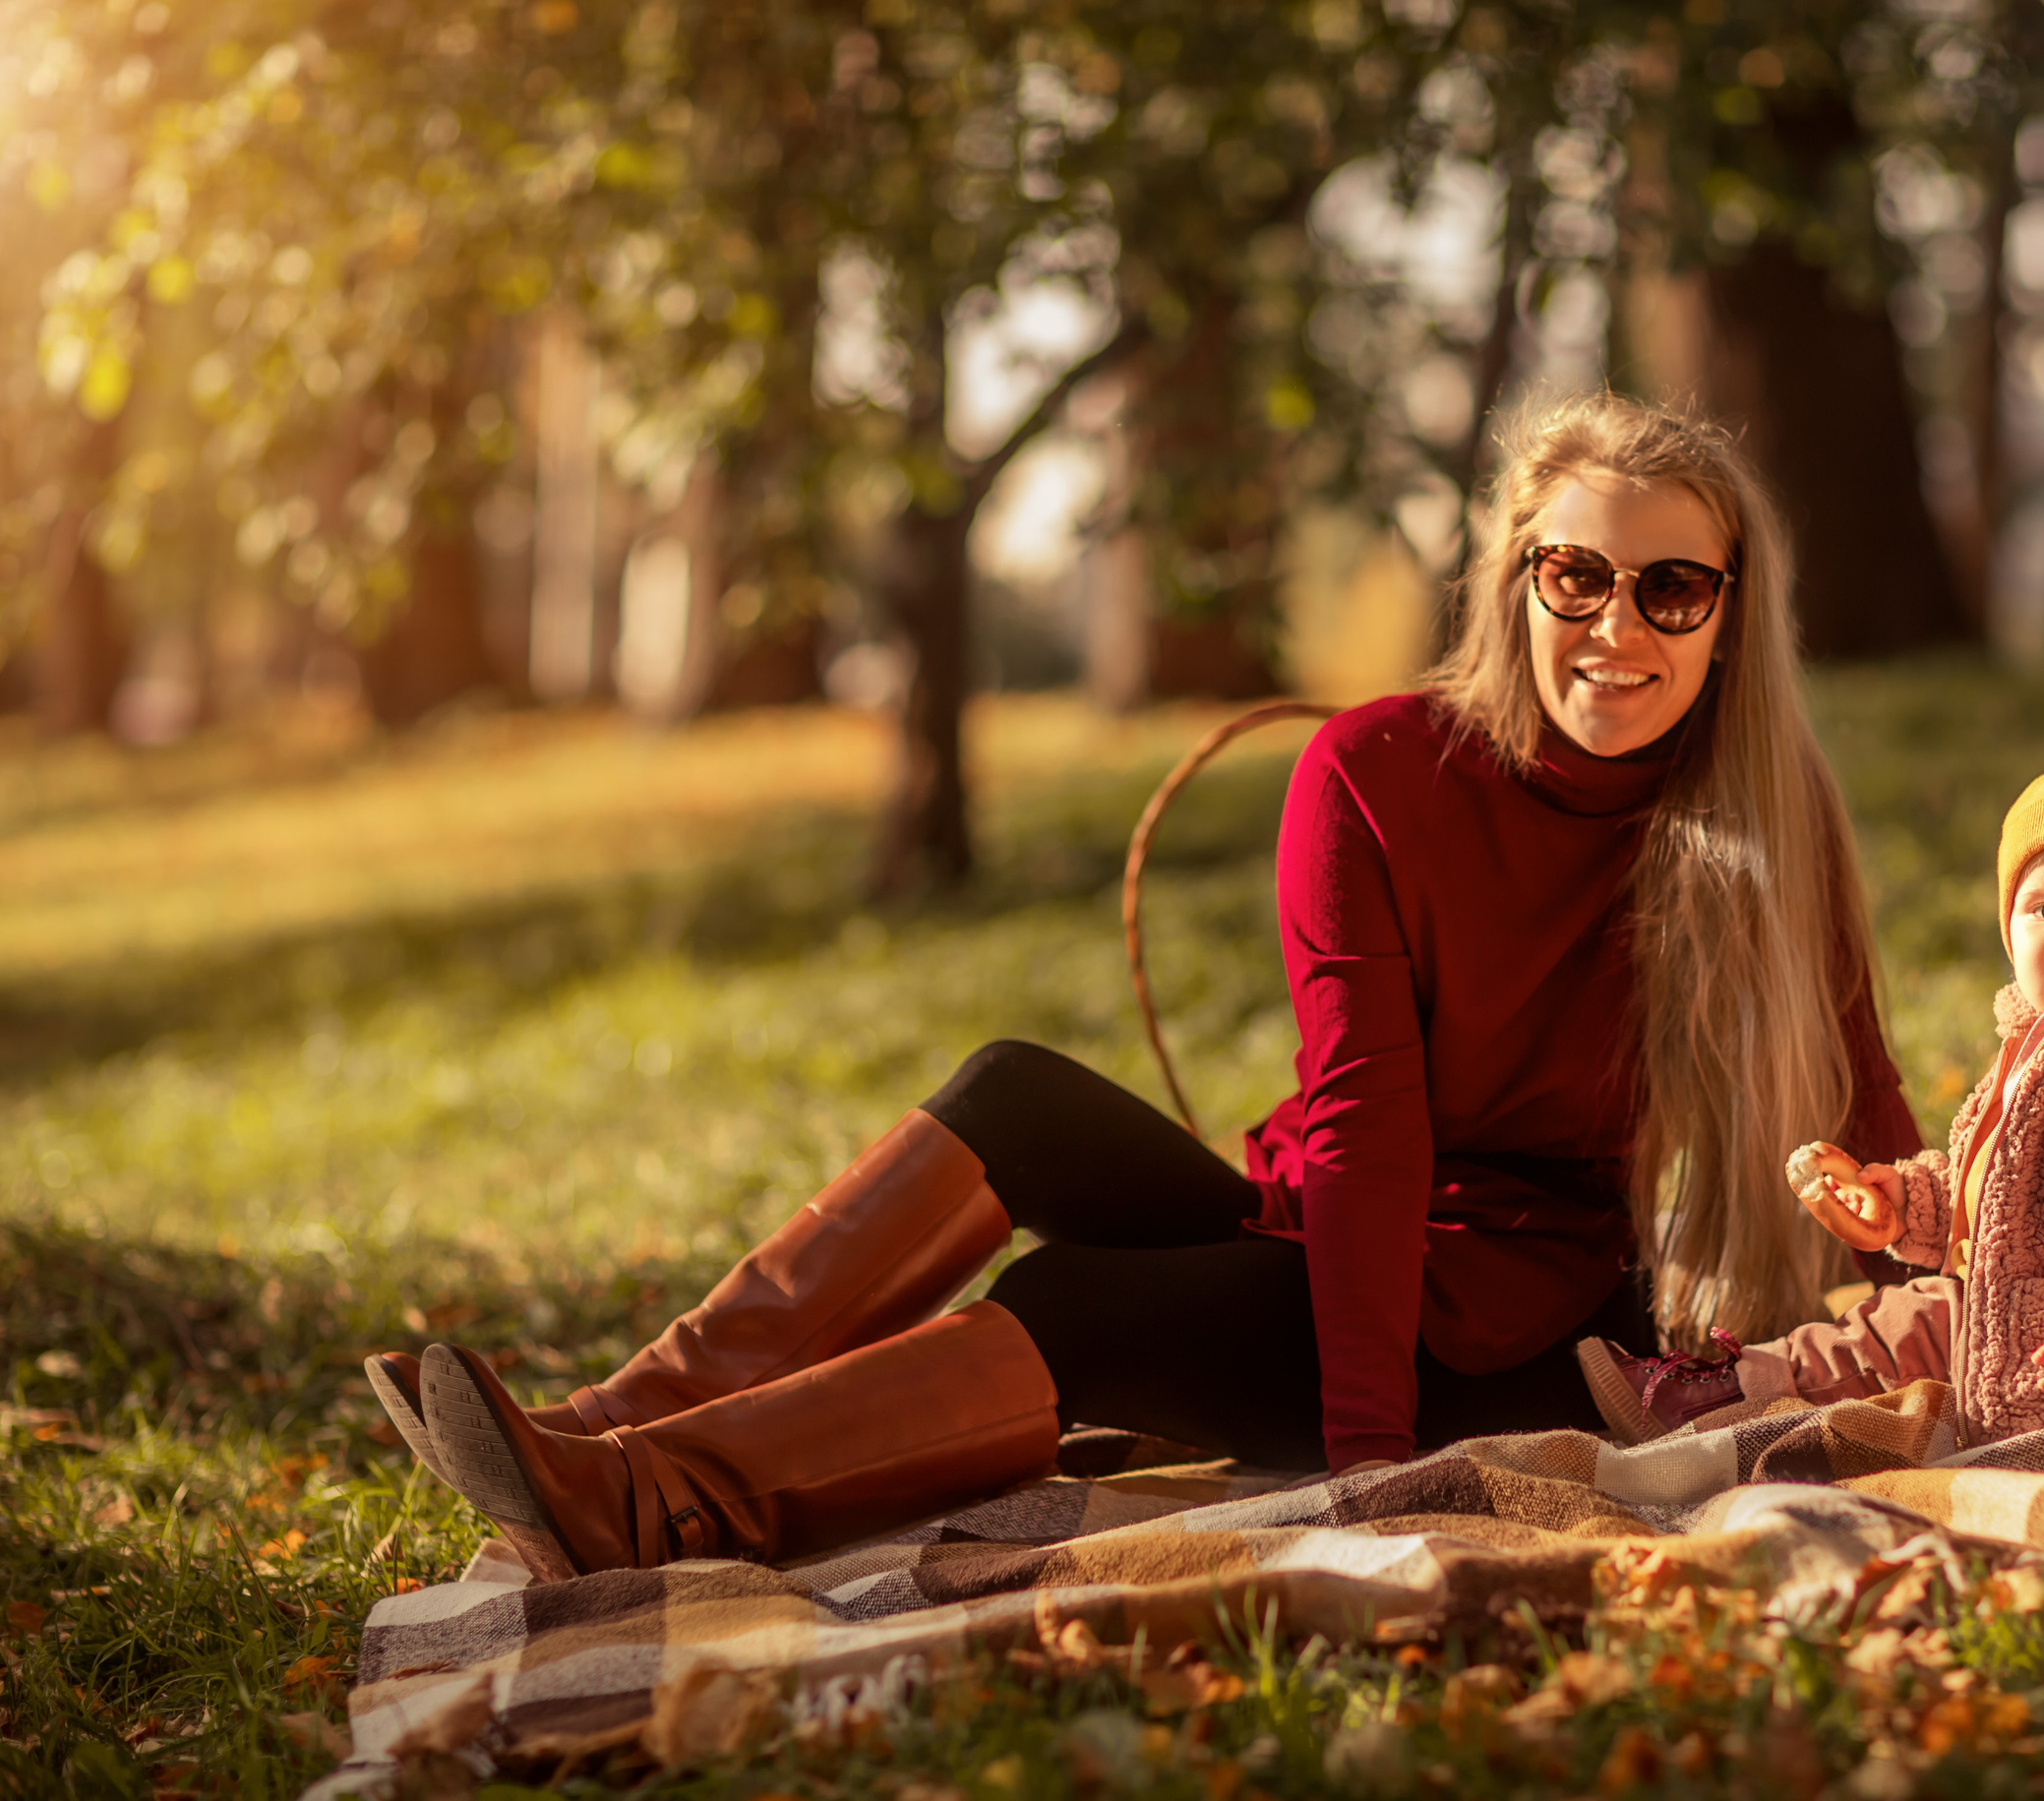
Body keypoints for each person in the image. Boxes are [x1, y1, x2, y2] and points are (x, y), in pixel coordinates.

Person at [372, 392, 1923, 1583]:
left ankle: (646, 1505)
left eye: (1672, 590)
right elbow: (1364, 1123)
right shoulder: (1376, 769)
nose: (1617, 626)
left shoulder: (1763, 815)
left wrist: (1364, 1459)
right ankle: (608, 1422)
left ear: (1727, 622)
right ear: (1515, 577)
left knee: (1069, 1308)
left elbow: (1863, 1109)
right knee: (1013, 1091)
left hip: (1518, 1323)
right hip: (1344, 1217)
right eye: (1577, 574)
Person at [1582, 751, 2044, 1447]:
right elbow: (2005, 1196)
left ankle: (1718, 1408)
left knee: (1911, 1328)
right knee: (1901, 1322)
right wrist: (1908, 1204)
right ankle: (1724, 1402)